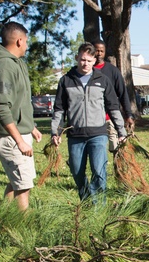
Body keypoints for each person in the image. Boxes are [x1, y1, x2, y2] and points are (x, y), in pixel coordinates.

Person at [50, 42, 128, 204]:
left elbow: (113, 107)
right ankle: (86, 202)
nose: (85, 63)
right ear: (77, 58)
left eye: (89, 60)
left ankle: (99, 208)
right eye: (83, 60)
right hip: (75, 136)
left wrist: (122, 131)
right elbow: (59, 109)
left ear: (94, 61)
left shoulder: (103, 80)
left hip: (98, 135)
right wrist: (55, 132)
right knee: (77, 173)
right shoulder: (66, 81)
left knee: (99, 172)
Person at [0, 21, 42, 211]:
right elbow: (1, 107)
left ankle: (2, 220)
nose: (27, 45)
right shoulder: (4, 67)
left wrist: (30, 127)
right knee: (23, 185)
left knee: (16, 180)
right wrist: (19, 141)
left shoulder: (17, 64)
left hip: (19, 133)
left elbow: (18, 102)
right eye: (26, 41)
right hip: (9, 138)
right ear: (19, 41)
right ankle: (22, 227)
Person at [92, 40, 135, 133]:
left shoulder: (113, 71)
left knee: (114, 146)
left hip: (110, 118)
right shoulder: (86, 71)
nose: (99, 53)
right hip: (92, 120)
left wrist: (128, 115)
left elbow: (123, 93)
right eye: (96, 50)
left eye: (101, 51)